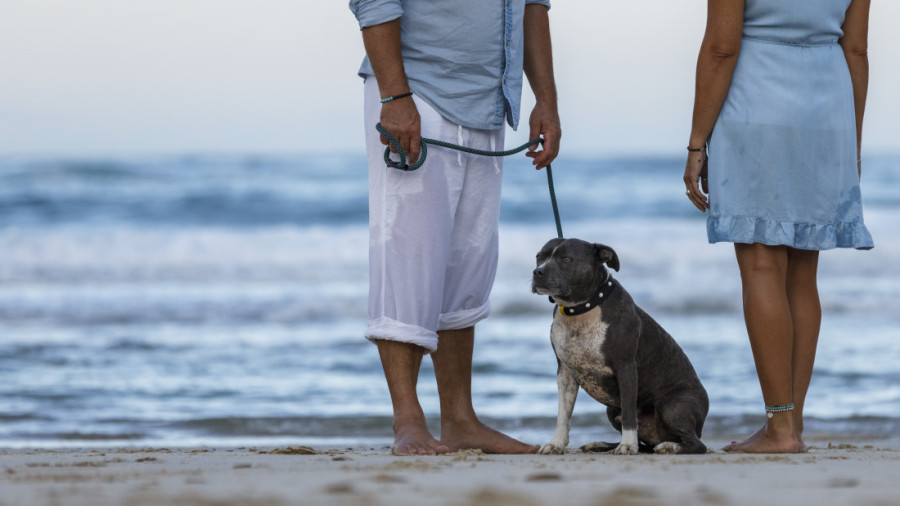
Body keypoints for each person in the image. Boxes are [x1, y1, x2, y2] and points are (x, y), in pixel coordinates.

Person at [349, 0, 561, 455]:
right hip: (416, 92)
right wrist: (394, 95)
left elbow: (532, 8)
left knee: (469, 262)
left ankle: (461, 420)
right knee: (408, 256)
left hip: (487, 103)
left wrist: (545, 99)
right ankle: (408, 421)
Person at [684, 0, 873, 453]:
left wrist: (696, 143)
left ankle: (781, 429)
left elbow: (721, 49)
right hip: (827, 110)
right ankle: (790, 424)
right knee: (803, 273)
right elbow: (858, 49)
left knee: (763, 268)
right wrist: (853, 140)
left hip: (756, 104)